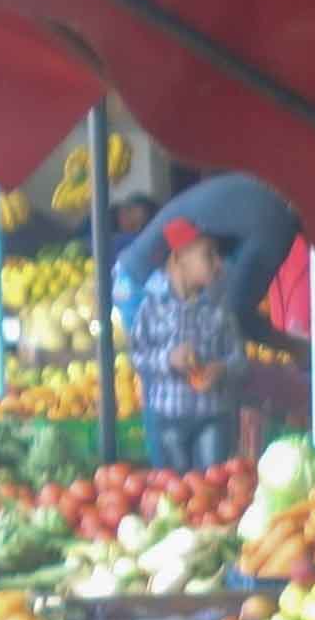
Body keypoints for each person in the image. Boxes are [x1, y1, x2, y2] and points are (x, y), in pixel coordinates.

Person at [111, 172, 302, 465]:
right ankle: (173, 479)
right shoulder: (278, 226)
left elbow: (230, 307)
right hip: (143, 281)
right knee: (166, 384)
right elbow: (239, 313)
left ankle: (192, 482)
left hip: (148, 271)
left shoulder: (265, 202)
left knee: (192, 376)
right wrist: (293, 347)